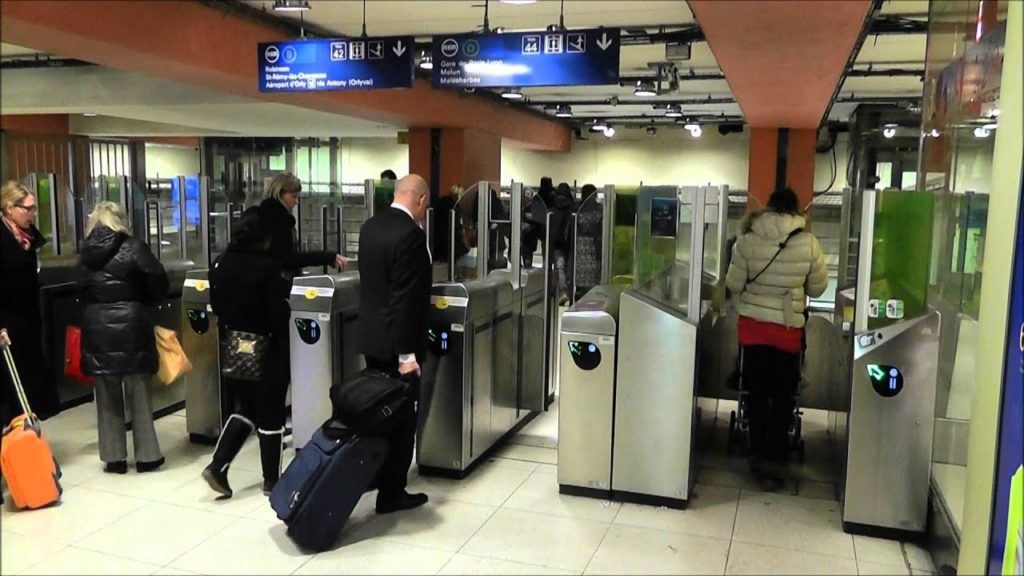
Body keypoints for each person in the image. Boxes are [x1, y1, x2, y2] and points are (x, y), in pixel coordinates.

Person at [725, 187, 828, 487]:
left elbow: (734, 283)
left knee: (756, 395)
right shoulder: (808, 244)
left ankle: (756, 456)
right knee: (783, 398)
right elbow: (819, 289)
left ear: (768, 207)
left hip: (753, 330)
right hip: (787, 331)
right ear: (796, 210)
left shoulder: (747, 240)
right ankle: (777, 456)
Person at [203, 209, 292, 497]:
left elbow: (216, 305)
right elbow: (277, 312)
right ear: (263, 239)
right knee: (272, 412)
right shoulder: (267, 268)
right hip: (268, 347)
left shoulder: (219, 264)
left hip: (234, 345)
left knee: (247, 407)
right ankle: (272, 481)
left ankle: (218, 466)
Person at [357, 174, 432, 514]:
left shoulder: (369, 227)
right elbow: (405, 300)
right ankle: (392, 492)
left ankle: (372, 474)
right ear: (420, 200)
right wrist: (406, 356)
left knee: (378, 414)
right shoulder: (411, 236)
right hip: (397, 347)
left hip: (372, 340)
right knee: (402, 419)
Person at [78, 202, 170, 474]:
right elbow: (157, 278)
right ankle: (147, 456)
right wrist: (146, 302)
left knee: (106, 394)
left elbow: (79, 289)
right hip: (132, 324)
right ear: (120, 220)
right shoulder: (133, 247)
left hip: (98, 326)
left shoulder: (85, 252)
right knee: (139, 392)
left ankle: (114, 457)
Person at [0, 181, 59, 426]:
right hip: (6, 322)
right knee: (9, 387)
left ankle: (23, 439)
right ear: (9, 207)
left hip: (27, 321)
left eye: (34, 208)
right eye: (28, 208)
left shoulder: (27, 238)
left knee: (28, 384)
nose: (33, 214)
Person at [257, 172, 346, 281]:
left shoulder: (261, 214)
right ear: (279, 193)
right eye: (293, 196)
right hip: (275, 283)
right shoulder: (279, 220)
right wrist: (326, 257)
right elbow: (288, 259)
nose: (296, 202)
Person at [573, 184, 603, 299]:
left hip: (579, 245)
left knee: (580, 276)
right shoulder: (600, 209)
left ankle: (579, 296)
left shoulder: (577, 208)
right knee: (593, 275)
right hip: (594, 245)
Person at [549, 183, 577, 303]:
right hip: (571, 242)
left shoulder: (553, 208)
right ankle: (570, 295)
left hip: (556, 243)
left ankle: (562, 292)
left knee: (559, 267)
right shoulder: (573, 207)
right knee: (570, 269)